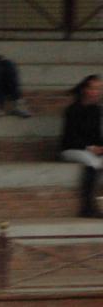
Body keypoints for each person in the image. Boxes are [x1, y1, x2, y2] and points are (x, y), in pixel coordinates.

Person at [59, 74, 103, 218]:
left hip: (90, 149)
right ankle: (87, 206)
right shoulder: (72, 110)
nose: (97, 92)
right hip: (71, 149)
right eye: (94, 88)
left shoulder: (96, 110)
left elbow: (96, 135)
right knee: (93, 162)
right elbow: (70, 137)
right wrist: (90, 148)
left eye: (99, 89)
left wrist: (100, 147)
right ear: (85, 90)